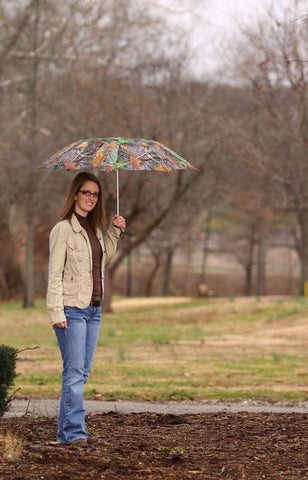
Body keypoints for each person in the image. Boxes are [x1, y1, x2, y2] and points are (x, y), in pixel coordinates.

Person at [47, 172, 125, 447]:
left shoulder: (94, 228)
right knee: (74, 373)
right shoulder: (63, 230)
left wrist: (114, 231)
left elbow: (103, 258)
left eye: (95, 194)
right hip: (72, 310)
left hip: (94, 310)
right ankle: (76, 434)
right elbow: (54, 275)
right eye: (86, 192)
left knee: (80, 373)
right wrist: (56, 312)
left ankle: (64, 435)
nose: (91, 198)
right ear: (75, 194)